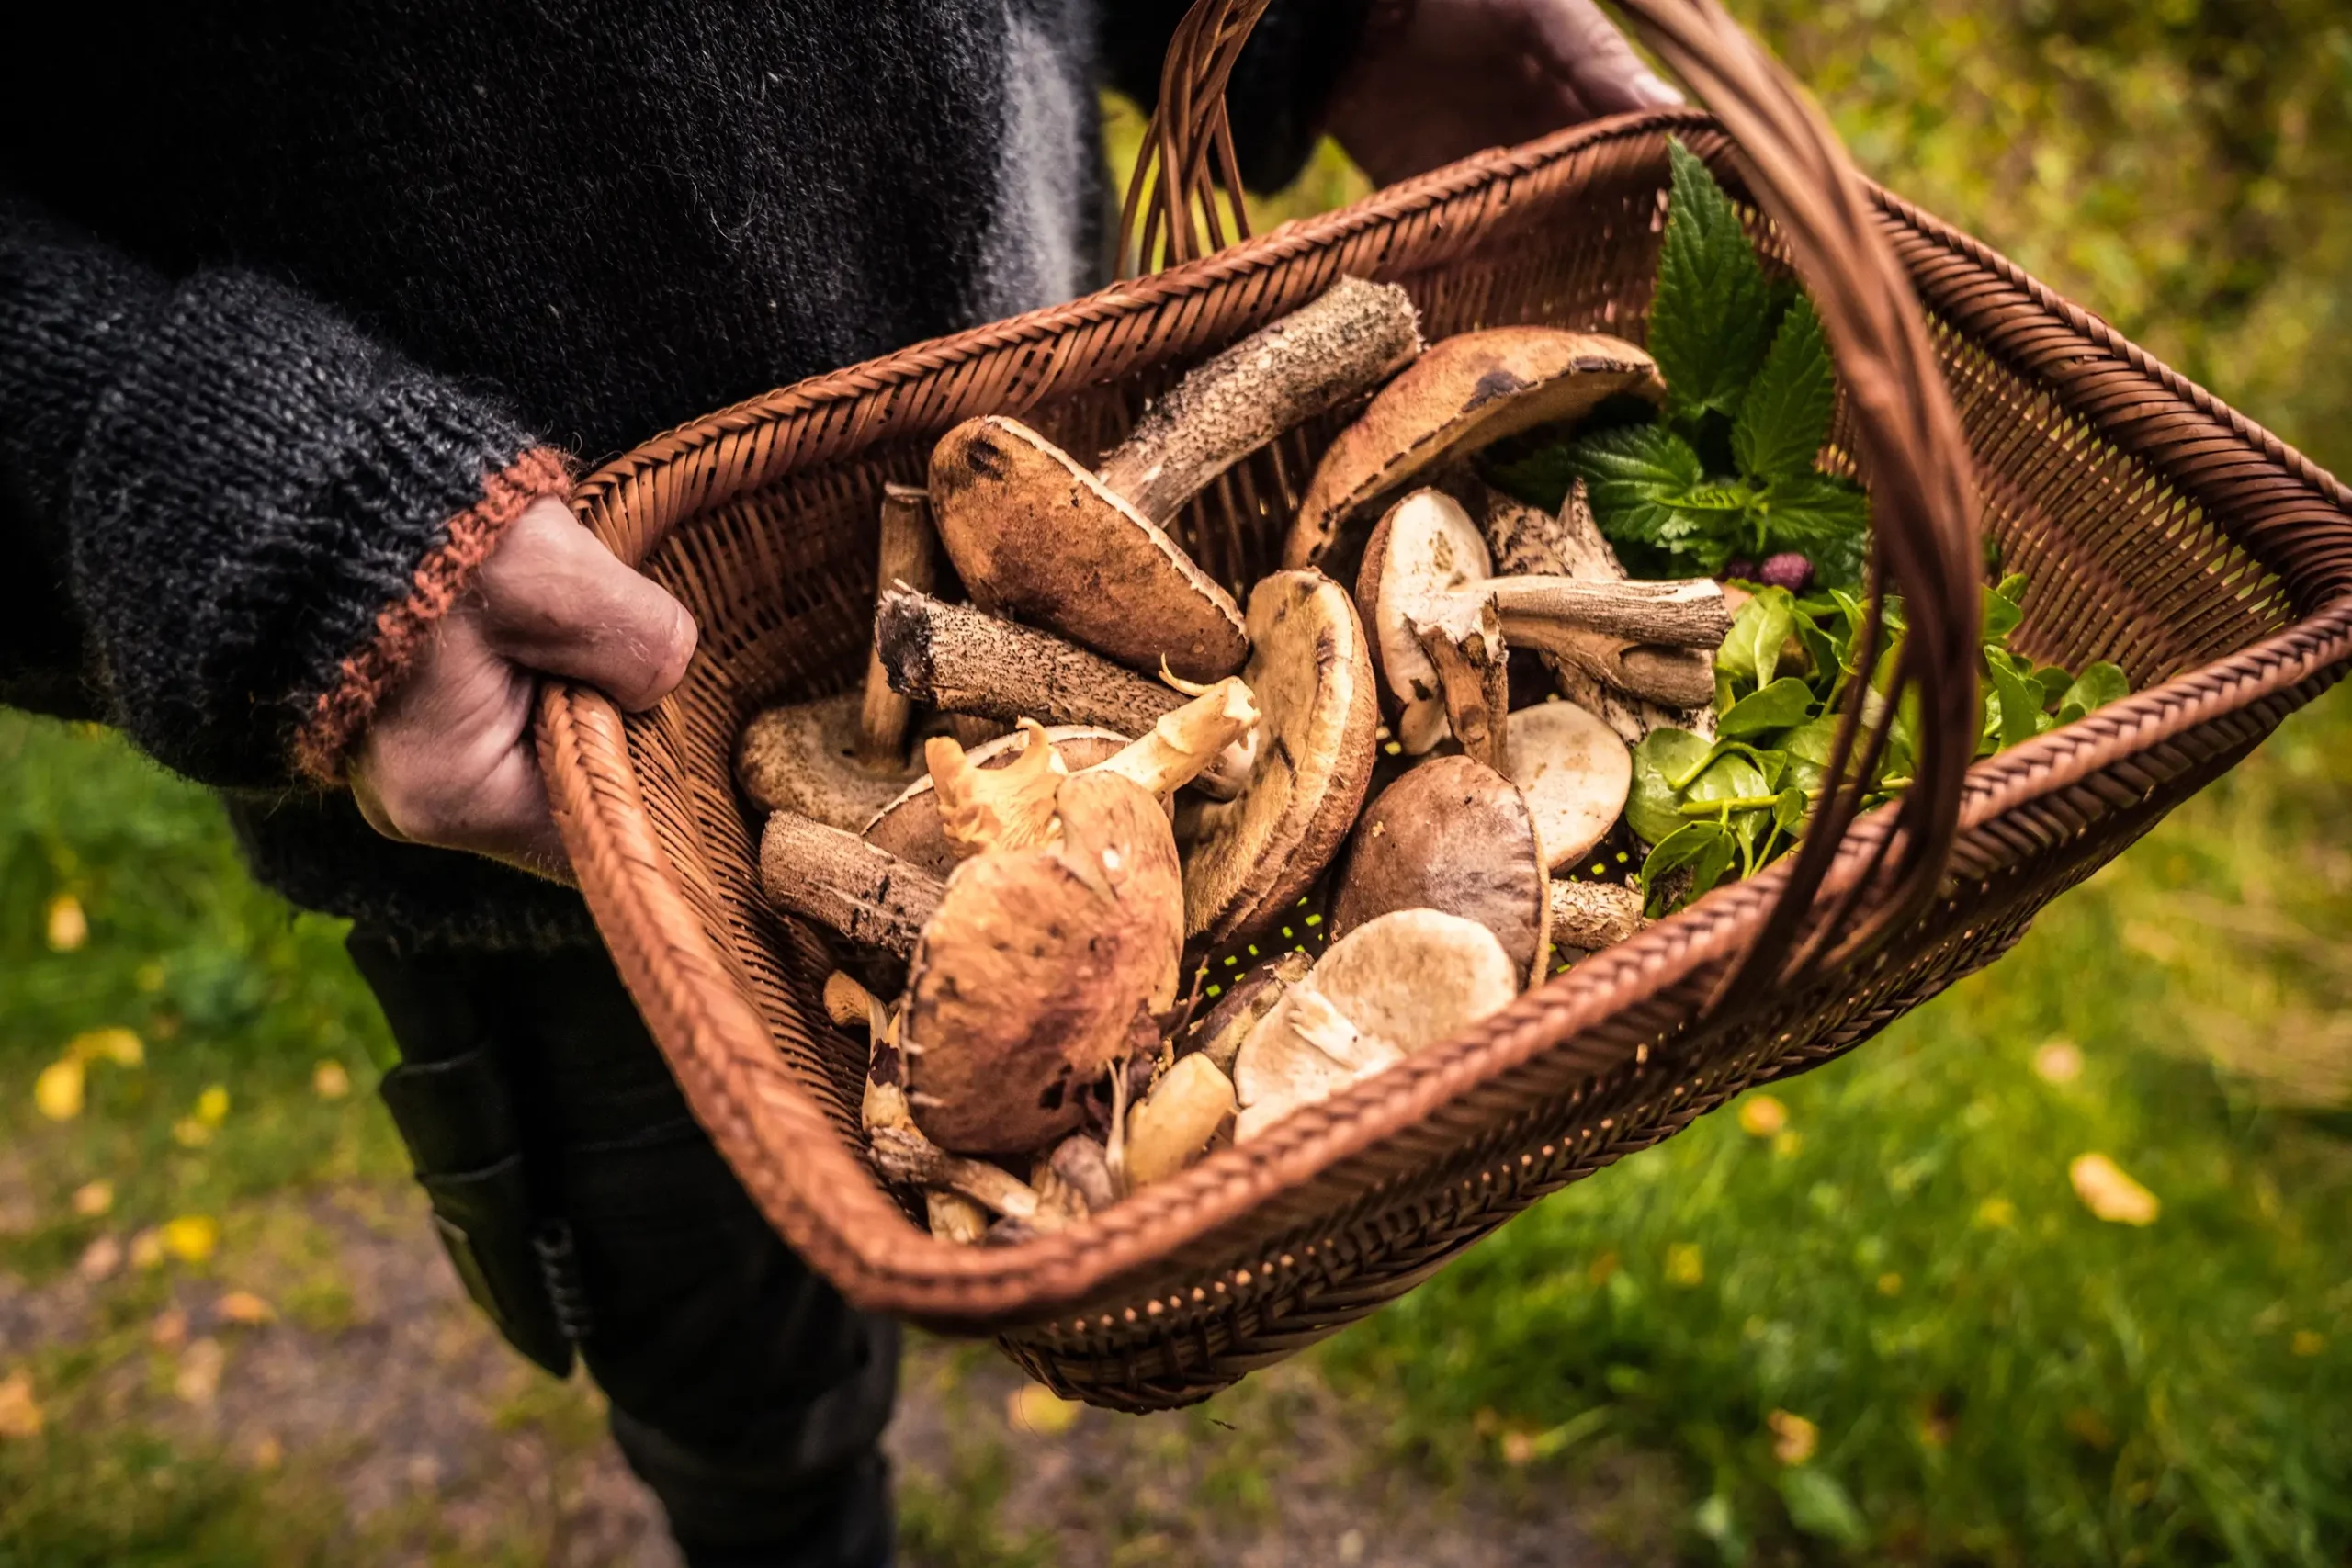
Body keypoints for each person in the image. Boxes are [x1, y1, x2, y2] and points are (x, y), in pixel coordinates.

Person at [0, 3, 1678, 1562]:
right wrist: (268, 512)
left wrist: (1332, 20)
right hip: (555, 758)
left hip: (1069, 446)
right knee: (736, 1367)